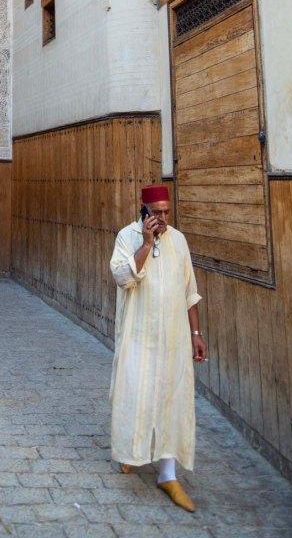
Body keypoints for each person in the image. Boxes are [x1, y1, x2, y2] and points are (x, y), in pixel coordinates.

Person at [109, 184, 207, 513]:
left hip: (174, 339)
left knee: (172, 398)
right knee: (135, 394)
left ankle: (168, 474)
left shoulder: (179, 240)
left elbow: (189, 290)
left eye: (167, 212)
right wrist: (147, 244)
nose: (163, 217)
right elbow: (123, 277)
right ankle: (130, 452)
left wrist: (195, 333)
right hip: (138, 334)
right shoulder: (127, 237)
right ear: (144, 210)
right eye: (156, 212)